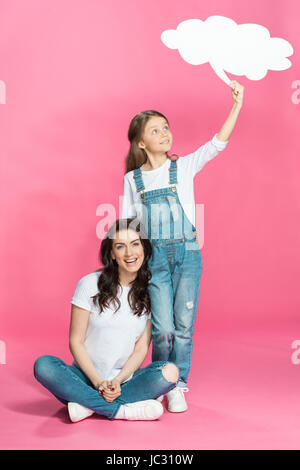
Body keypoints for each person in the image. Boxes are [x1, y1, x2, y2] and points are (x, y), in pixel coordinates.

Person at [121, 80, 244, 412]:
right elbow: (128, 227)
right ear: (141, 143)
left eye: (166, 128)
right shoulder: (133, 180)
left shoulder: (184, 166)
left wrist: (236, 106)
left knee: (184, 327)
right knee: (162, 329)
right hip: (155, 259)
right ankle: (159, 381)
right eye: (156, 130)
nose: (165, 134)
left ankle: (177, 384)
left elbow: (218, 143)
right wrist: (127, 265)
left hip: (188, 256)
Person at [33, 218, 179, 422]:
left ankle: (88, 405)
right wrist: (99, 381)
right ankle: (121, 411)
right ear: (112, 253)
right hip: (85, 377)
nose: (130, 253)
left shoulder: (149, 293)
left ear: (144, 248)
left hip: (125, 380)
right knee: (44, 365)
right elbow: (75, 341)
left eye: (135, 244)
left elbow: (140, 350)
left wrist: (118, 380)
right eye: (121, 246)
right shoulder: (89, 284)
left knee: (170, 372)